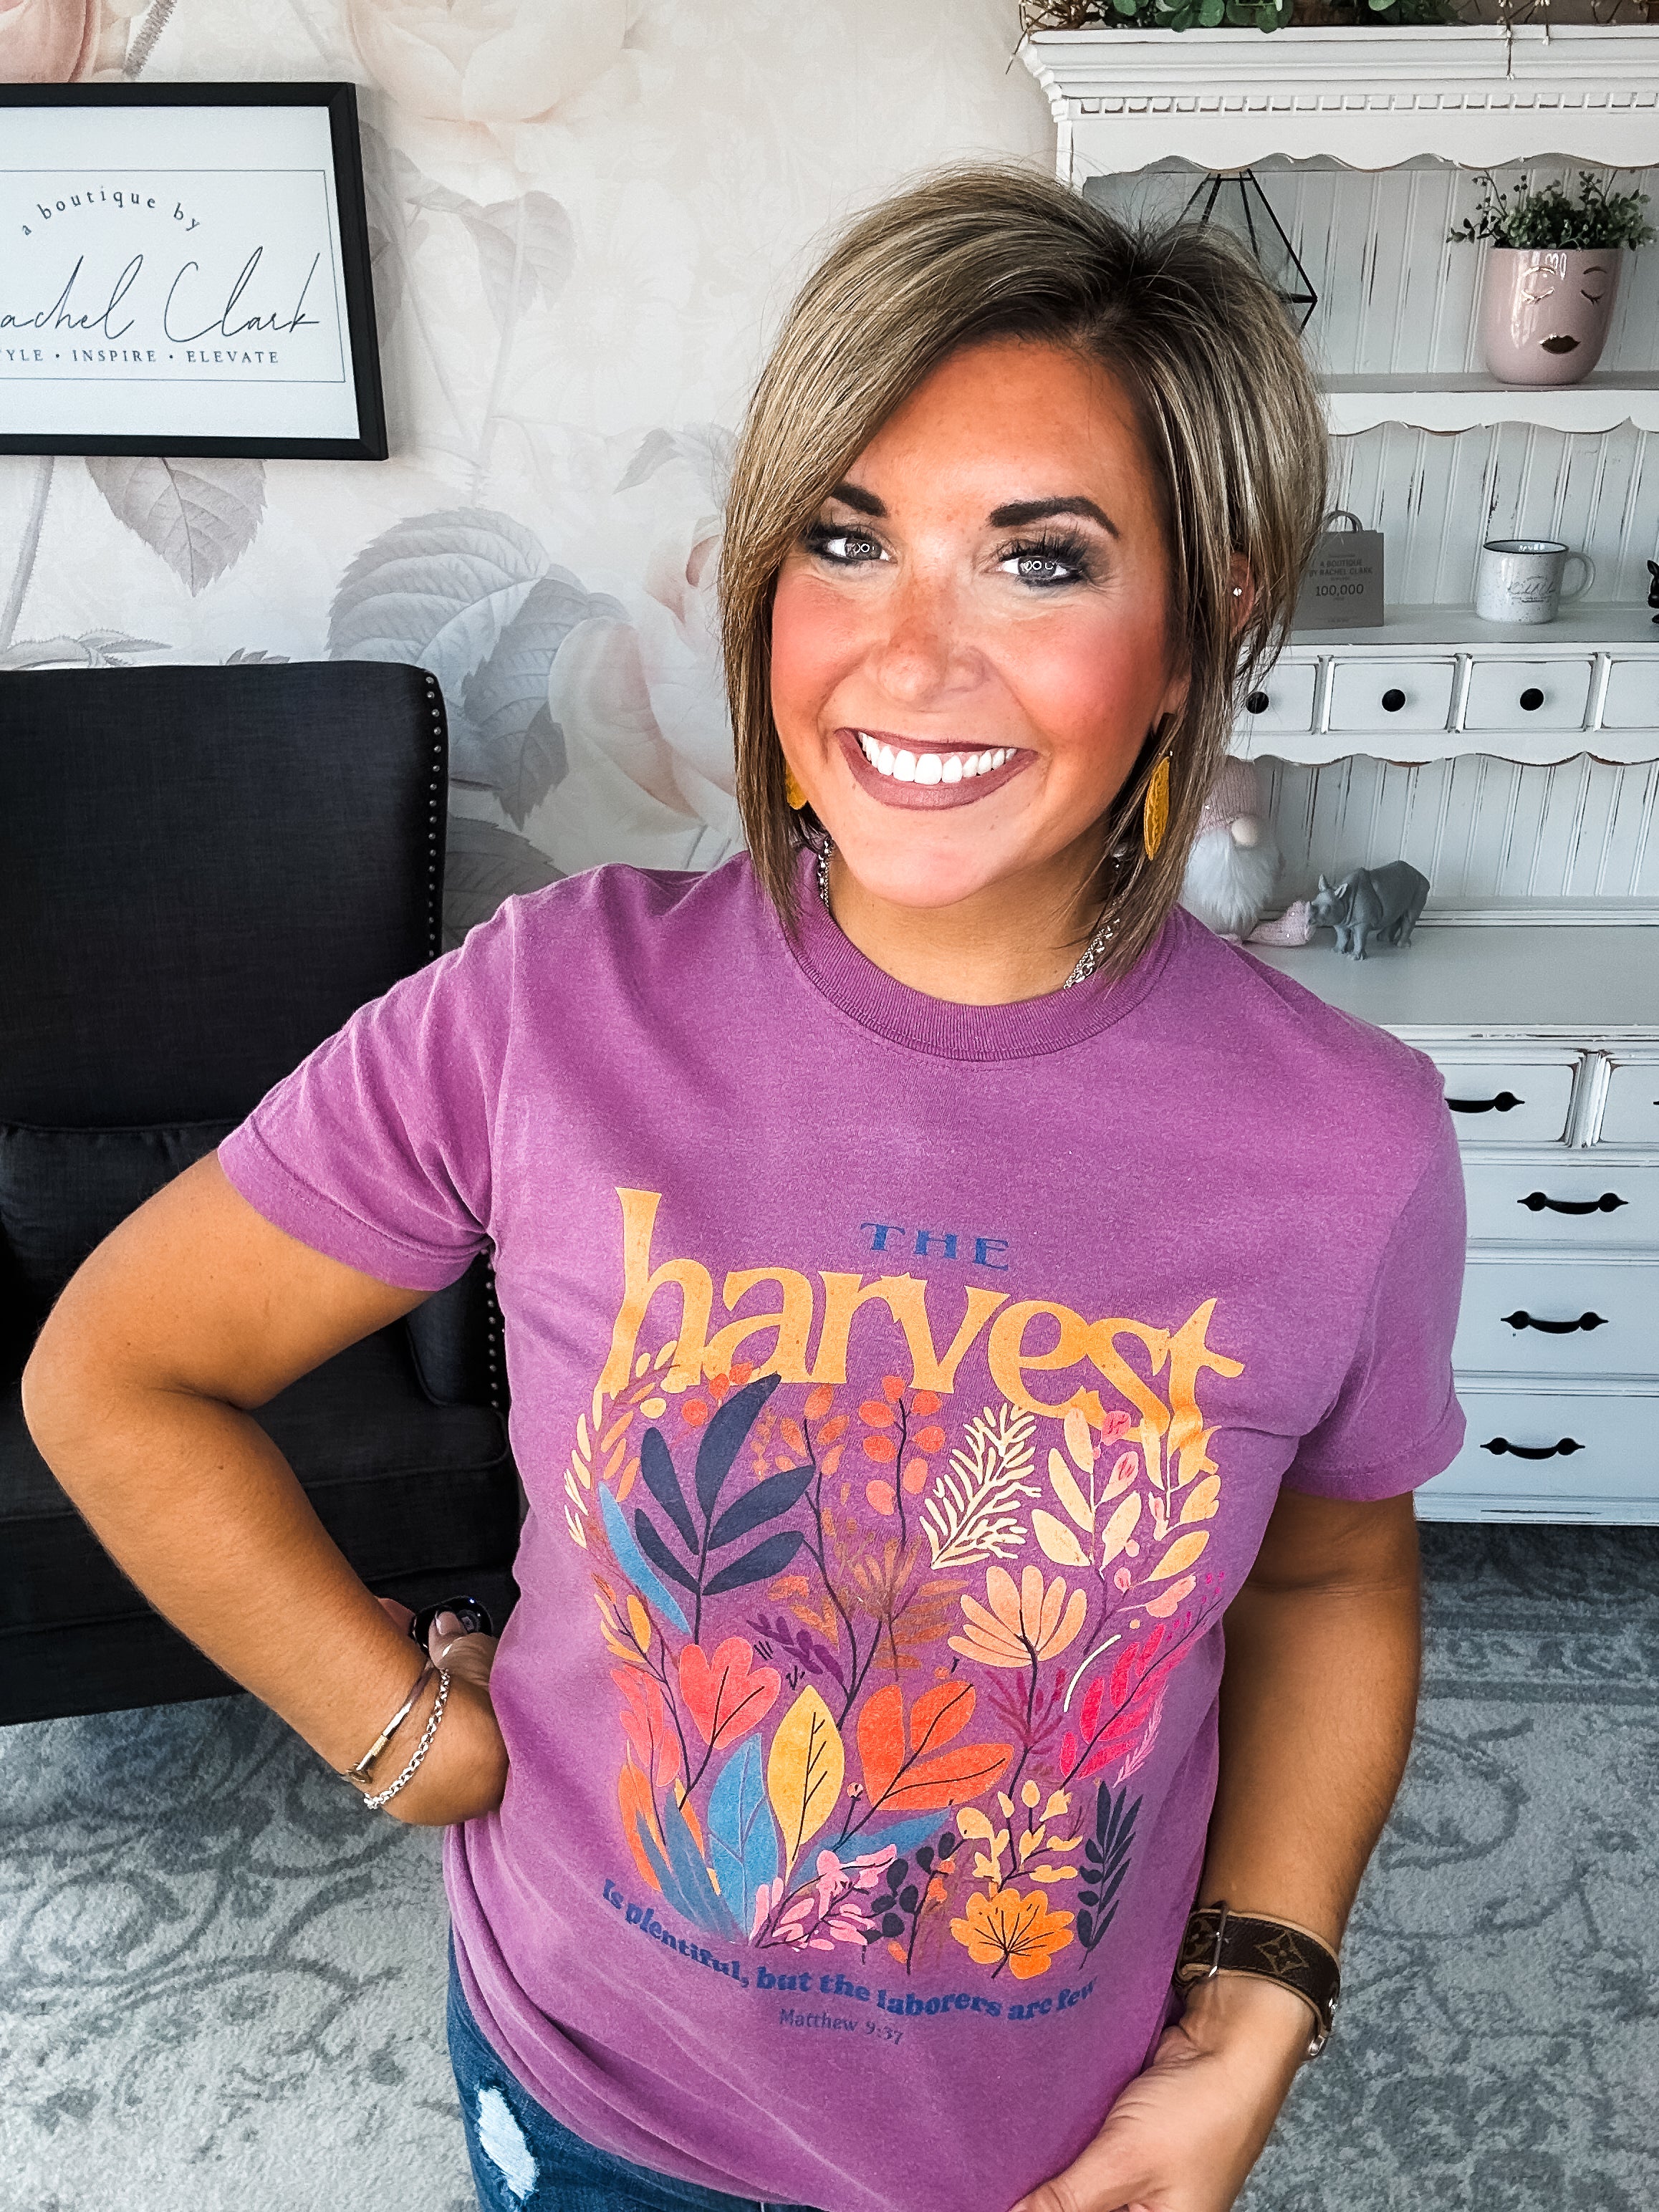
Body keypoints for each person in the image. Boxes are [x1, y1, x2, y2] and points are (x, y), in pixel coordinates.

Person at [24, 166, 1466, 2212]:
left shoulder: (1347, 1141)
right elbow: (116, 1371)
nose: (909, 653)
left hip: (1050, 2149)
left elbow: (1329, 1584)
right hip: (592, 2099)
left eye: (1040, 562)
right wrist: (393, 1731)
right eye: (844, 539)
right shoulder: (547, 1010)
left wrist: (1259, 2000)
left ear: (1206, 619)